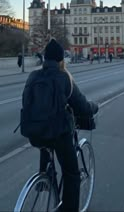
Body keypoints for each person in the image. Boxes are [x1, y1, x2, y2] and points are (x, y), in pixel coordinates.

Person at [24, 38, 98, 212]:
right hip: (58, 133)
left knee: (45, 138)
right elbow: (82, 105)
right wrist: (94, 107)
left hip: (32, 132)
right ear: (61, 59)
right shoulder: (64, 77)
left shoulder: (33, 76)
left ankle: (45, 176)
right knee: (71, 173)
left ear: (44, 58)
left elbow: (26, 103)